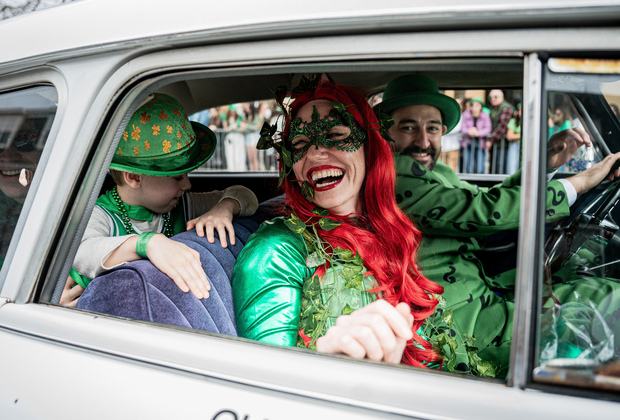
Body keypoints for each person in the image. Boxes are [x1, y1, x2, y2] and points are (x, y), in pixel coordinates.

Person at [374, 73, 620, 377]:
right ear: (385, 133)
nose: (423, 141)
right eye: (408, 127)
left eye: (432, 128)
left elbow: (485, 198)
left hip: (479, 292)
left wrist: (543, 163)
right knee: (605, 299)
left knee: (588, 290)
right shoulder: (393, 174)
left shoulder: (434, 171)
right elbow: (479, 212)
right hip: (458, 322)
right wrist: (577, 183)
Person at [232, 80, 444, 367]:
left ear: (370, 148)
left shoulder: (391, 231)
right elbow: (268, 377)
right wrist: (329, 363)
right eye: (300, 143)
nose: (316, 153)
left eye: (335, 134)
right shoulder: (276, 248)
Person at [61, 94, 258, 306]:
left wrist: (224, 208)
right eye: (177, 177)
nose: (187, 185)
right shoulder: (101, 215)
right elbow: (83, 252)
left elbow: (245, 195)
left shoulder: (183, 205)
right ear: (135, 177)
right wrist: (148, 243)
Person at [460, 97, 492, 174]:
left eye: (477, 105)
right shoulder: (466, 114)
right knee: (468, 167)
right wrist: (469, 131)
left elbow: (488, 128)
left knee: (480, 167)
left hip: (480, 144)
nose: (475, 108)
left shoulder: (485, 115)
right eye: (473, 105)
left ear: (481, 107)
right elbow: (462, 128)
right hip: (468, 143)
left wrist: (478, 133)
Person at [487, 89, 514, 174]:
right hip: (496, 144)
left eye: (495, 97)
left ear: (502, 97)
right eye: (490, 97)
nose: (492, 99)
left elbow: (502, 126)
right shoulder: (494, 109)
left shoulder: (507, 108)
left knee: (500, 169)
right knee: (493, 169)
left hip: (503, 144)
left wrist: (490, 140)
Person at [505, 103, 522, 174]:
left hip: (527, 147)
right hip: (515, 145)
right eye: (520, 110)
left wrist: (516, 135)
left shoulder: (533, 122)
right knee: (512, 167)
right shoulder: (513, 121)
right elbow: (509, 136)